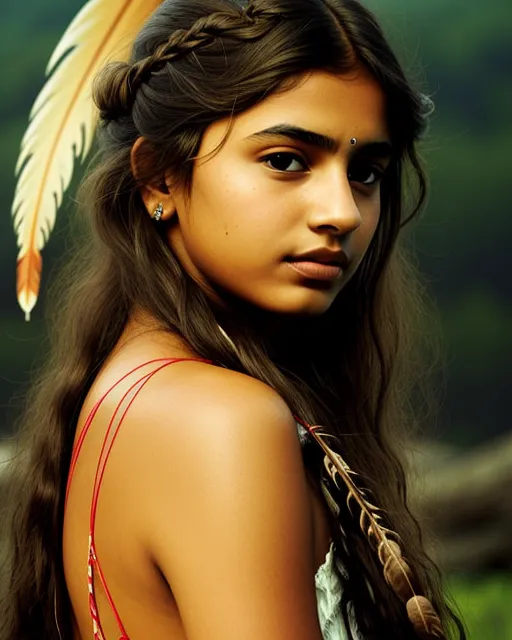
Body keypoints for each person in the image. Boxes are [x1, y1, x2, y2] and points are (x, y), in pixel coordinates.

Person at [1, 0, 467, 638]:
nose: (343, 212)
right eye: (286, 160)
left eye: (365, 172)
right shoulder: (221, 421)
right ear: (160, 177)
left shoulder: (137, 387)